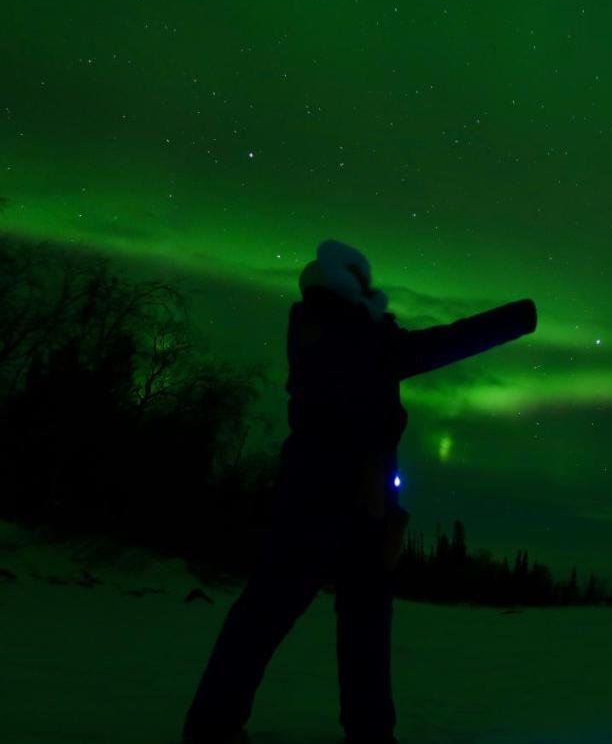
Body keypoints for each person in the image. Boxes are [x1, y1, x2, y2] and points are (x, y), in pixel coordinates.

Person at [182, 240, 538, 744]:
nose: (372, 289)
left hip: (342, 493)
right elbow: (431, 347)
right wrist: (514, 320)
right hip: (333, 493)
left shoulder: (330, 328)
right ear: (347, 282)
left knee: (326, 616)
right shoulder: (344, 330)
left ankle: (336, 728)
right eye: (362, 280)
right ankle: (222, 726)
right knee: (301, 614)